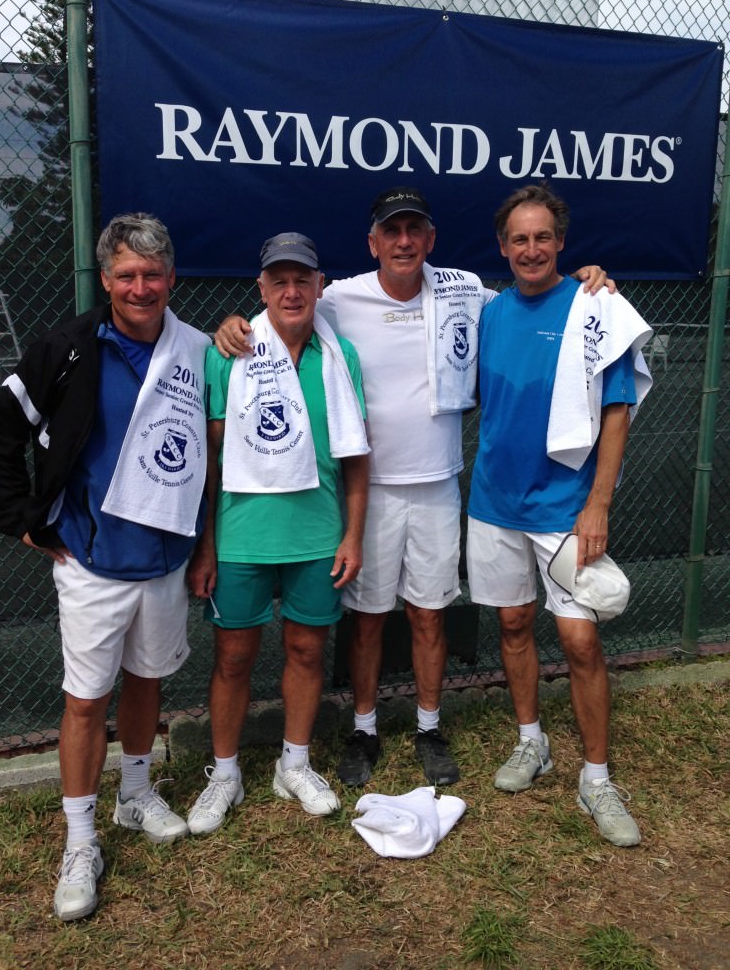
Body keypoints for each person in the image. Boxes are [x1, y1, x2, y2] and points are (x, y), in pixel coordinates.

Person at [216, 187, 613, 789]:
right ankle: (366, 728)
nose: (403, 242)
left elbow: (536, 293)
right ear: (373, 242)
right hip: (367, 491)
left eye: (414, 231)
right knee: (369, 620)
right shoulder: (339, 297)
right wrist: (231, 324)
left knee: (429, 616)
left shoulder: (467, 295)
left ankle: (429, 726)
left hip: (437, 485)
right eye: (391, 232)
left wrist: (589, 277)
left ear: (429, 240)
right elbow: (277, 315)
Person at [0, 214, 210, 920]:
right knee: (85, 700)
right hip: (91, 560)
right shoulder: (69, 349)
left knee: (145, 682)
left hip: (165, 558)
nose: (141, 287)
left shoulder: (196, 350)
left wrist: (202, 546)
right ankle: (81, 841)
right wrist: (21, 518)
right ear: (106, 279)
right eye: (127, 275)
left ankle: (136, 795)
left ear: (172, 278)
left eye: (153, 274)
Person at [465, 183, 652, 846]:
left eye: (543, 236)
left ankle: (596, 779)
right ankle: (531, 742)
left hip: (565, 509)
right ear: (503, 247)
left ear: (562, 243)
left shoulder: (593, 305)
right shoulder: (488, 312)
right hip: (493, 501)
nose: (532, 248)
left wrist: (598, 503)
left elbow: (616, 410)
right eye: (520, 238)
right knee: (513, 625)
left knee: (579, 640)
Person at [186, 232, 370, 833]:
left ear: (320, 286)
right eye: (279, 281)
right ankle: (224, 773)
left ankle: (295, 763)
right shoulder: (227, 353)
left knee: (307, 649)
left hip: (319, 534)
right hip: (241, 535)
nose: (291, 291)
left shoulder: (342, 356)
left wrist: (353, 535)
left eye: (302, 280)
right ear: (261, 288)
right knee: (233, 658)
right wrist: (207, 543)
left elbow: (357, 458)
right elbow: (208, 462)